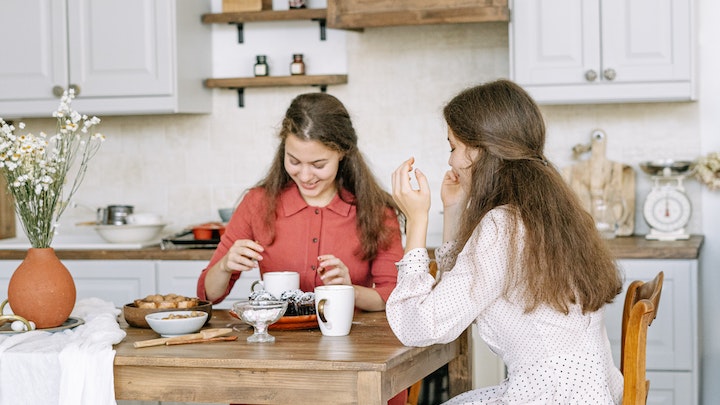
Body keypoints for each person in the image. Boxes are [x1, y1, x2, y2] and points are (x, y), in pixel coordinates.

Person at [387, 79, 624, 404]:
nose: (451, 161)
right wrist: (454, 210)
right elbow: (455, 298)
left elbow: (419, 326)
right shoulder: (548, 213)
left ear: (480, 149)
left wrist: (415, 221)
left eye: (453, 147)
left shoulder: (503, 226)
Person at [197, 92, 403, 312]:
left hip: (347, 341)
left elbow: (390, 296)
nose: (305, 176)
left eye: (318, 164)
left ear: (343, 153)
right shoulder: (258, 203)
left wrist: (348, 289)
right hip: (276, 342)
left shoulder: (377, 210)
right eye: (294, 161)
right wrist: (226, 265)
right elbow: (208, 294)